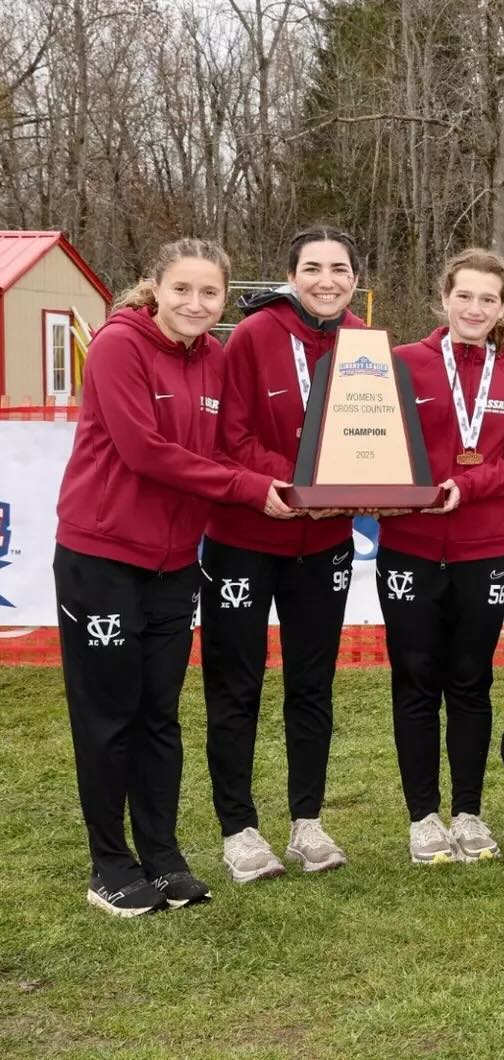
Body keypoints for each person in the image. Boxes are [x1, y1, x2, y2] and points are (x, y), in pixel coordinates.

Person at [53, 238, 295, 915]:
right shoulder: (117, 346)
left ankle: (161, 856)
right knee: (108, 716)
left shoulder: (214, 359)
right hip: (101, 556)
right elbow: (147, 453)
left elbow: (226, 447)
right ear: (154, 287)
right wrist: (251, 488)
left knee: (159, 712)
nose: (196, 303)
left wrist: (290, 479)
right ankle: (109, 864)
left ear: (223, 300)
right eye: (182, 289)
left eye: (209, 293)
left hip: (173, 564)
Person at [201, 225, 365, 884]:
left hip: (325, 541)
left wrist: (350, 488)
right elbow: (230, 439)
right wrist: (301, 488)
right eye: (313, 268)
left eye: (340, 269)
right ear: (291, 274)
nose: (327, 280)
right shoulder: (252, 336)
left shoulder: (363, 342)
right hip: (247, 535)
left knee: (312, 684)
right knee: (236, 687)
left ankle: (307, 823)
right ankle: (239, 829)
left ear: (356, 277)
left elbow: (374, 437)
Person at [378, 248, 504, 865]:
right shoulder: (402, 363)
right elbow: (369, 447)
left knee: (471, 683)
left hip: (483, 550)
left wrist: (465, 486)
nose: (475, 308)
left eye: (488, 299)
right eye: (465, 295)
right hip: (409, 548)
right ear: (443, 298)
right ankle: (423, 817)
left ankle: (470, 813)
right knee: (416, 682)